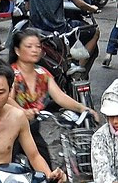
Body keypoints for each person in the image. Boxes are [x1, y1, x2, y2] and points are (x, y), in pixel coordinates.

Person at [9, 29, 98, 162]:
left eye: (38, 46)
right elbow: (6, 99)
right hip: (8, 131)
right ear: (17, 50)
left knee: (45, 170)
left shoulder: (42, 73)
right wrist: (23, 112)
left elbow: (59, 96)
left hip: (31, 130)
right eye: (29, 46)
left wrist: (83, 108)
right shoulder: (11, 73)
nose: (35, 50)